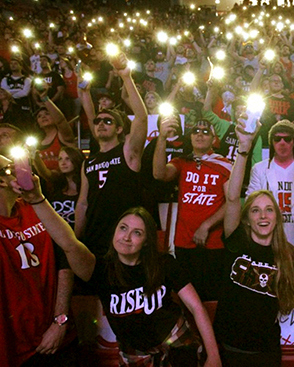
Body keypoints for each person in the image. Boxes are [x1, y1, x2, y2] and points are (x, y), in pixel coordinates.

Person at [15, 175, 222, 367]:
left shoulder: (164, 263)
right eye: (123, 228)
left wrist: (213, 356)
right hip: (135, 353)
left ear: (147, 241)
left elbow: (196, 307)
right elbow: (68, 243)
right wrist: (37, 199)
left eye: (137, 233)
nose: (127, 237)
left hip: (177, 342)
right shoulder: (100, 269)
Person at [215, 118, 294, 367]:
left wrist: (286, 300)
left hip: (266, 350)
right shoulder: (237, 240)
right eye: (256, 210)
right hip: (228, 346)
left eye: (269, 210)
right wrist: (243, 149)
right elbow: (232, 197)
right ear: (247, 218)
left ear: (277, 217)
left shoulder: (286, 252)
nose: (262, 216)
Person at [0, 154, 76, 366]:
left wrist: (60, 321)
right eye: (12, 168)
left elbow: (65, 261)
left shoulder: (36, 206)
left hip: (52, 337)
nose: (23, 171)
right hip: (12, 345)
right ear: (2, 180)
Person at [75, 53, 147, 258]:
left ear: (119, 129)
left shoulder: (128, 152)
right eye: (98, 122)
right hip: (94, 236)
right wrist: (76, 239)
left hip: (125, 237)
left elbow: (141, 119)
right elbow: (82, 203)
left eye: (108, 121)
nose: (100, 124)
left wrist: (126, 77)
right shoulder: (89, 163)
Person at [153, 118, 232, 301]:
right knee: (187, 300)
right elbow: (159, 174)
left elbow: (232, 203)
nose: (200, 134)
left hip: (213, 244)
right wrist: (162, 138)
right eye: (196, 130)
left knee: (210, 298)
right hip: (183, 242)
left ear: (214, 139)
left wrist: (206, 226)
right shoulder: (182, 162)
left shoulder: (224, 164)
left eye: (206, 131)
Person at [247, 120, 294, 267]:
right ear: (272, 142)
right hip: (269, 237)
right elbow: (250, 201)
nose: (282, 143)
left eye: (287, 139)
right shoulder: (259, 169)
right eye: (277, 139)